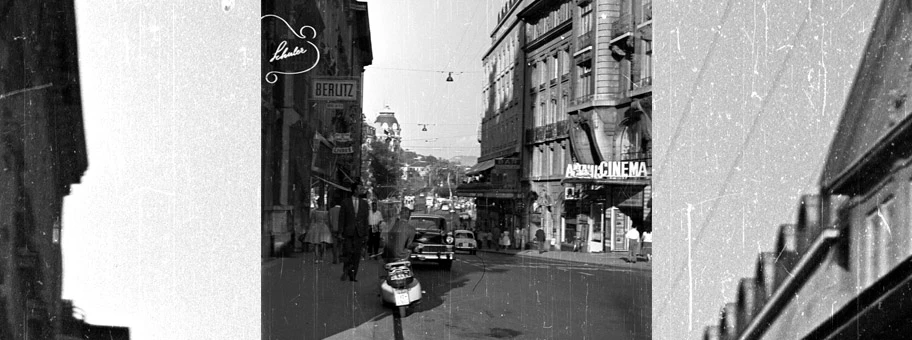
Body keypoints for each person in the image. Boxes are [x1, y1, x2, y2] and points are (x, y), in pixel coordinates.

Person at [339, 182, 370, 282]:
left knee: (357, 254)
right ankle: (346, 269)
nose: (361, 191)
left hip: (359, 233)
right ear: (355, 190)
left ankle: (353, 275)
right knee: (347, 252)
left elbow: (366, 220)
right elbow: (342, 218)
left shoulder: (364, 204)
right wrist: (340, 232)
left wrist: (366, 234)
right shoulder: (345, 202)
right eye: (360, 189)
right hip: (348, 231)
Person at [328, 197, 342, 264]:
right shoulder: (342, 210)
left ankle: (335, 259)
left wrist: (331, 227)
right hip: (341, 229)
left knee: (334, 244)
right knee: (341, 244)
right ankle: (340, 258)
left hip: (334, 229)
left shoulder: (331, 210)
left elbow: (330, 220)